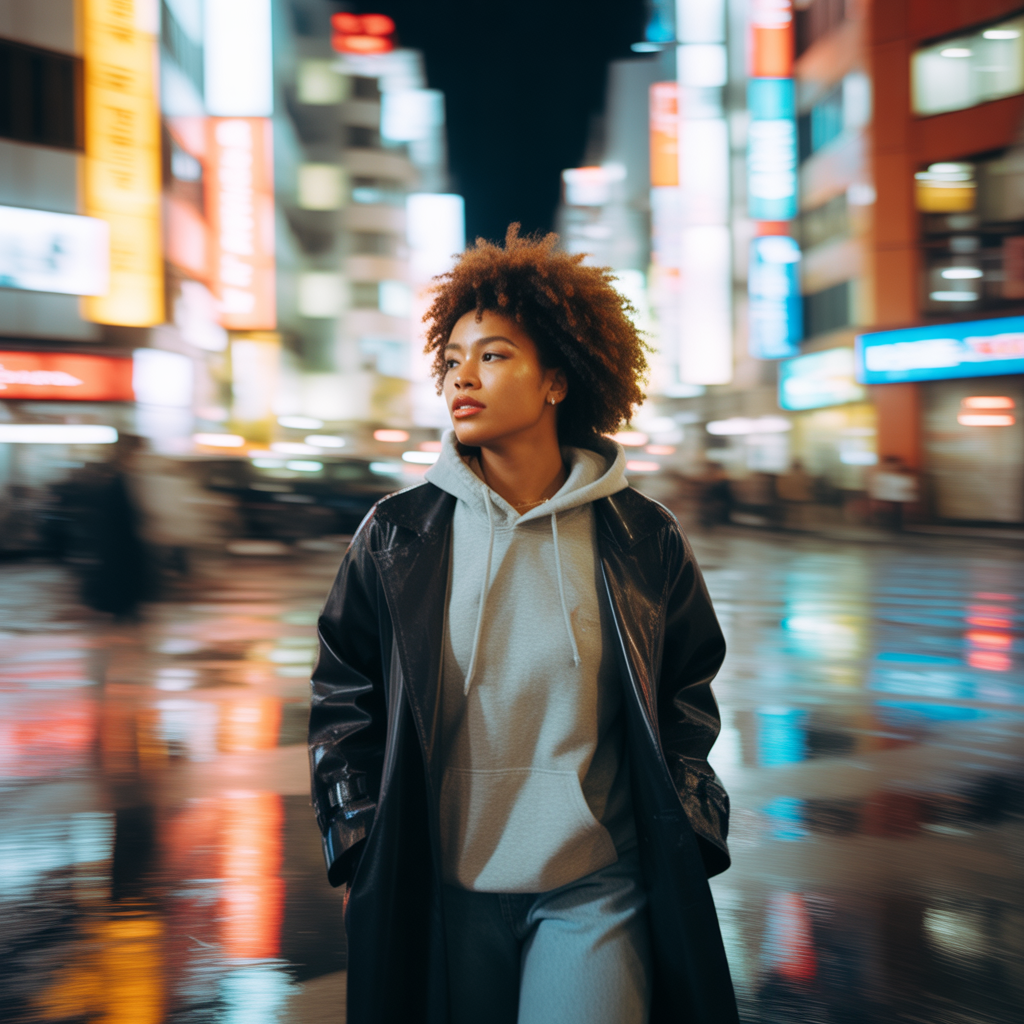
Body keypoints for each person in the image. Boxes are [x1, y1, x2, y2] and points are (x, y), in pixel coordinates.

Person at [308, 226, 738, 1024]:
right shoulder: (396, 534)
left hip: (595, 884)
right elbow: (344, 694)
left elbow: (686, 694)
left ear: (557, 382)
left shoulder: (643, 536)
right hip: (436, 887)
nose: (461, 376)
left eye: (494, 354)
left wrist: (691, 827)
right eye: (453, 358)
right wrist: (362, 844)